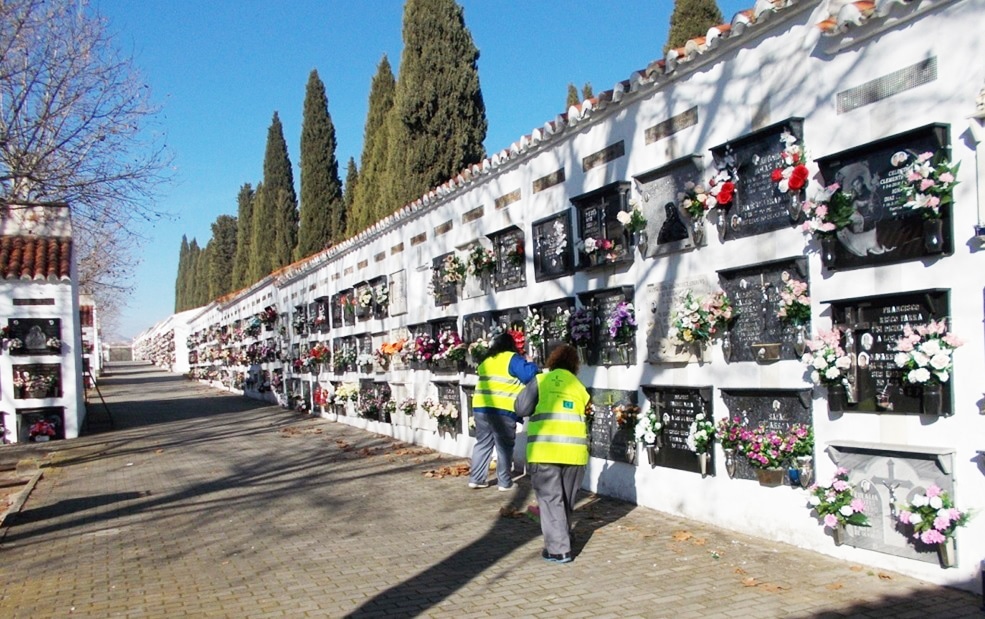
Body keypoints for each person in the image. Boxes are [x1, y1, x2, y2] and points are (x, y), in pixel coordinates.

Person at [514, 344, 590, 564]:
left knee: (550, 501)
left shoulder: (540, 380)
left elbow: (521, 408)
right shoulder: (578, 386)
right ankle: (564, 536)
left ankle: (559, 550)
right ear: (575, 365)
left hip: (545, 450)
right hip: (574, 454)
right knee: (565, 501)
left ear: (552, 361)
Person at [468, 332, 539, 491]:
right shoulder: (511, 359)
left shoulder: (486, 360)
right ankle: (505, 482)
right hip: (502, 409)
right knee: (504, 446)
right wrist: (531, 363)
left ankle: (476, 479)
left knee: (483, 443)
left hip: (480, 408)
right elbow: (529, 374)